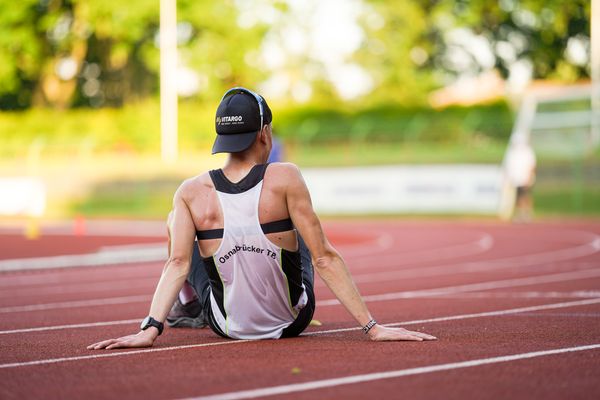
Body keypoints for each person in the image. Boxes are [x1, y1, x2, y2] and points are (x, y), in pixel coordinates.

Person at [88, 87, 436, 350]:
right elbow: (324, 257)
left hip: (226, 326)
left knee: (175, 222)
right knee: (296, 228)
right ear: (264, 133)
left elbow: (177, 264)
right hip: (290, 321)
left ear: (220, 137)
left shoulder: (190, 191)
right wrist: (373, 328)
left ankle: (188, 306)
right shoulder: (285, 177)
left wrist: (149, 329)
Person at [505, 136, 537, 222]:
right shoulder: (513, 152)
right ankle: (520, 214)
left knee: (526, 196)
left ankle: (527, 213)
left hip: (525, 178)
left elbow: (532, 165)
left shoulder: (527, 151)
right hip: (517, 179)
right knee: (518, 197)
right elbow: (509, 166)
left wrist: (529, 177)